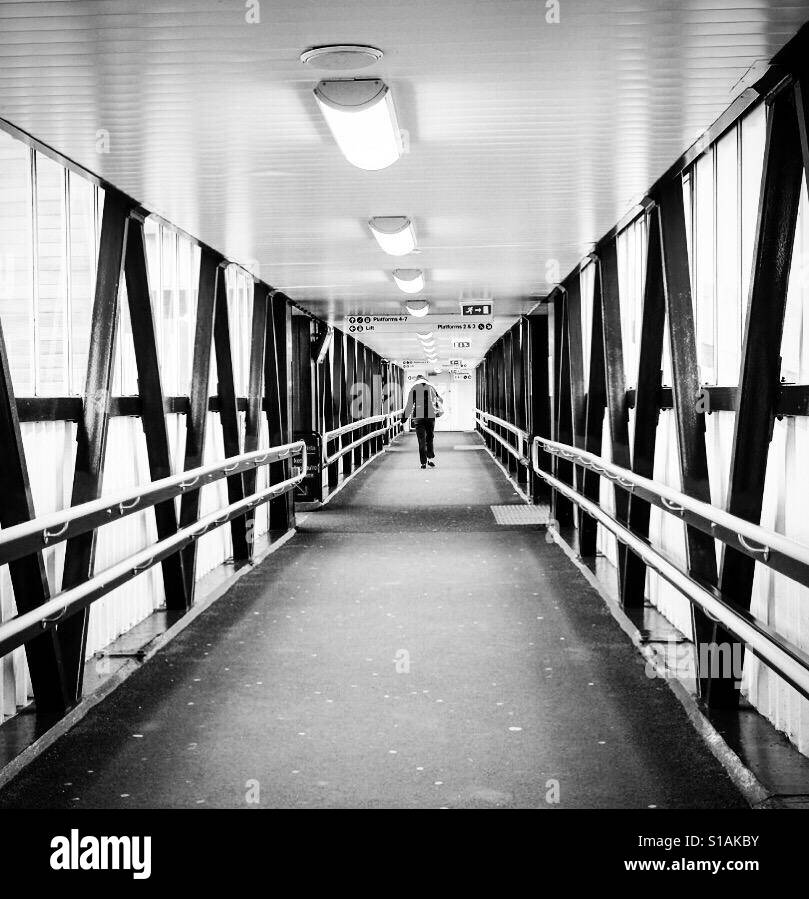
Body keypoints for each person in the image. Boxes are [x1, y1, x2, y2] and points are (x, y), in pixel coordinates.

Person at [402, 374, 444, 468]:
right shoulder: (431, 388)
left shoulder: (414, 388)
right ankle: (430, 459)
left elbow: (409, 405)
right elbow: (440, 400)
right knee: (429, 438)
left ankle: (423, 463)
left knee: (421, 440)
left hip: (419, 417)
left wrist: (403, 419)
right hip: (430, 417)